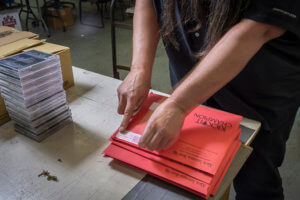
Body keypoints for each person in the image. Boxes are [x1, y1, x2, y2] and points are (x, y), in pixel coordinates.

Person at [117, 0, 300, 199]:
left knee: (256, 180)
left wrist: (178, 104)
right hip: (189, 81)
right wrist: (139, 68)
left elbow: (257, 29)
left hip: (259, 85)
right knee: (187, 173)